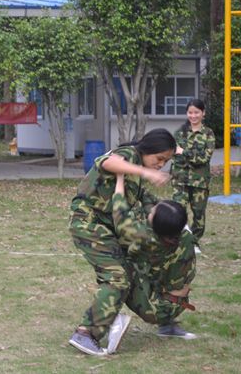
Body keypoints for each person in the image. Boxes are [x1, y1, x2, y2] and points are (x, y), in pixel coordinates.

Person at [68, 128, 176, 356]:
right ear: (149, 149)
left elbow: (143, 199)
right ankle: (85, 333)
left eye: (165, 162)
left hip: (108, 228)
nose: (160, 165)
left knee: (131, 273)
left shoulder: (136, 169)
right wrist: (145, 172)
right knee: (117, 277)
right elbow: (105, 162)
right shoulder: (129, 155)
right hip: (89, 224)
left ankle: (153, 317)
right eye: (159, 159)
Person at [106, 172, 197, 354]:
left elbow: (120, 214)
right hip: (178, 303)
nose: (152, 209)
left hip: (156, 309)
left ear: (155, 224)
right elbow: (155, 207)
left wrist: (120, 178)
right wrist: (139, 178)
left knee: (117, 267)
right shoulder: (183, 234)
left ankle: (110, 319)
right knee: (158, 271)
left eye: (154, 212)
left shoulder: (146, 237)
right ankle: (168, 326)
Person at [171, 99, 215, 250]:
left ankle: (194, 242)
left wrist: (184, 152)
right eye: (190, 112)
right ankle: (181, 241)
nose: (193, 115)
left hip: (200, 182)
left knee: (199, 215)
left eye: (197, 112)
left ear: (203, 113)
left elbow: (204, 158)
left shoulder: (208, 133)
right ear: (186, 113)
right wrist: (192, 156)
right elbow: (174, 156)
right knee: (178, 212)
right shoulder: (179, 133)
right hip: (180, 180)